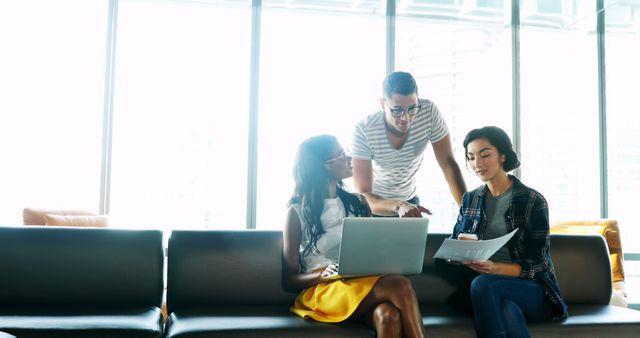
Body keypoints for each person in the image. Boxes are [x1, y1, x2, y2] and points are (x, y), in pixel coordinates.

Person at [282, 134, 426, 338]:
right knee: (399, 285)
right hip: (324, 290)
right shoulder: (296, 212)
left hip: (359, 284)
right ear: (324, 166)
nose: (349, 158)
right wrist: (321, 275)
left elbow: (371, 251)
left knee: (388, 315)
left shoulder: (358, 202)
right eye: (341, 155)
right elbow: (289, 279)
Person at [440, 126, 568, 338]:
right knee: (508, 310)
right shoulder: (470, 200)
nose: (477, 164)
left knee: (482, 284)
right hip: (486, 291)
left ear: (503, 156)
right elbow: (454, 246)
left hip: (531, 289)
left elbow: (540, 263)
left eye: (485, 155)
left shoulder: (532, 200)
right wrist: (461, 253)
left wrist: (495, 268)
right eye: (470, 158)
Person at [350, 71, 466, 217]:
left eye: (412, 108)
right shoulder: (364, 129)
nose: (406, 117)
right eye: (397, 110)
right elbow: (364, 194)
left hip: (409, 199)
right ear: (382, 104)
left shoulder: (428, 112)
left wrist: (467, 212)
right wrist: (398, 206)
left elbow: (448, 164)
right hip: (374, 205)